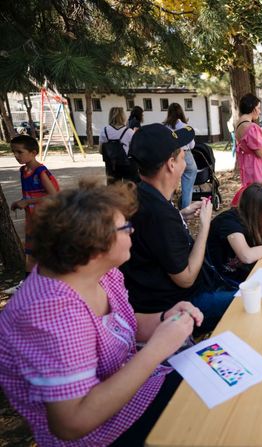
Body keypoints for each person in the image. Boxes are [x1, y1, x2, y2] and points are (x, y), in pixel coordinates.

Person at [0, 181, 203, 446]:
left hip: (136, 396)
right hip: (102, 436)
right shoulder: (49, 314)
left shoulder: (100, 275)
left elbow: (121, 325)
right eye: (126, 227)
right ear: (95, 245)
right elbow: (72, 423)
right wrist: (157, 349)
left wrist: (164, 319)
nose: (133, 231)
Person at [122, 123, 235, 336]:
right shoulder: (159, 213)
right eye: (183, 157)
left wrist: (179, 214)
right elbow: (186, 277)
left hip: (153, 299)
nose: (186, 164)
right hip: (176, 306)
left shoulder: (141, 194)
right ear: (171, 164)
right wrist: (204, 226)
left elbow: (153, 237)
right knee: (246, 301)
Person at [207, 183, 262, 284]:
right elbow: (247, 256)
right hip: (221, 282)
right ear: (253, 210)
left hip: (243, 275)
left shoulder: (249, 218)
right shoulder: (228, 223)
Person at [9, 134, 60, 276]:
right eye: (14, 152)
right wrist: (20, 202)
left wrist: (27, 202)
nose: (16, 155)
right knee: (31, 253)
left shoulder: (40, 172)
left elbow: (54, 195)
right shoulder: (23, 171)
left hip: (46, 219)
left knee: (47, 252)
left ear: (33, 153)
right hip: (32, 220)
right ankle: (28, 283)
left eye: (20, 152)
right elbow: (30, 194)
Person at [234, 93, 262, 189]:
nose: (260, 111)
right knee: (261, 193)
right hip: (257, 166)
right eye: (259, 108)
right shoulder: (252, 127)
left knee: (252, 194)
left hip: (247, 164)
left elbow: (249, 145)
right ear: (253, 108)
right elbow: (261, 153)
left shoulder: (239, 124)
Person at [164, 103, 196, 209]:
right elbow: (192, 145)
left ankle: (169, 210)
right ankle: (185, 214)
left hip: (170, 157)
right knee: (187, 188)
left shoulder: (164, 127)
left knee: (169, 187)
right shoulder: (186, 127)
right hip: (186, 155)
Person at [100, 107, 139, 183]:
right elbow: (135, 150)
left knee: (113, 190)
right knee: (129, 188)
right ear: (123, 116)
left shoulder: (104, 131)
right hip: (127, 164)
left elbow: (101, 150)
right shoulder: (129, 132)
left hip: (111, 165)